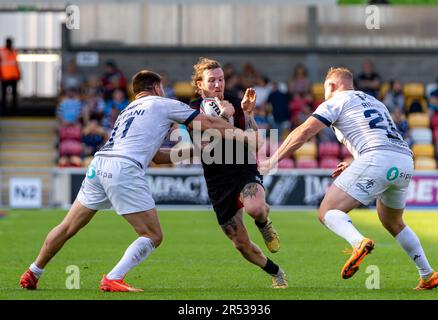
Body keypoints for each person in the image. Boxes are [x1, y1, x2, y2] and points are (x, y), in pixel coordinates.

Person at [19, 70, 245, 292]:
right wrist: (230, 119)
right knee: (153, 235)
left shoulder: (128, 110)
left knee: (67, 226)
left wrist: (195, 150)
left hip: (99, 165)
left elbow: (156, 157)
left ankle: (33, 271)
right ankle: (113, 278)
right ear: (156, 88)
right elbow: (212, 125)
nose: (164, 91)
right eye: (162, 88)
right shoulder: (162, 103)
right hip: (123, 168)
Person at [261, 67, 438, 290]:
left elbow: (304, 132)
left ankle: (358, 242)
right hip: (404, 159)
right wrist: (355, 163)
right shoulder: (375, 102)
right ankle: (427, 275)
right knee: (393, 221)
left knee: (327, 211)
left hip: (378, 157)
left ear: (331, 86)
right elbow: (378, 134)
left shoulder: (336, 100)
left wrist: (272, 160)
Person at [188, 57, 287, 289]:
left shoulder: (235, 103)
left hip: (243, 167)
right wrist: (223, 117)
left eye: (221, 79)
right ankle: (276, 271)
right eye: (211, 80)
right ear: (200, 84)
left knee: (256, 208)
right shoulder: (191, 110)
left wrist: (249, 115)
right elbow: (204, 144)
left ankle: (264, 223)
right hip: (217, 179)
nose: (218, 84)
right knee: (241, 243)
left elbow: (256, 142)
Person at [0, 37, 21, 116]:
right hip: (4, 77)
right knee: (4, 96)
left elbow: (16, 64)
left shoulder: (14, 52)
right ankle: (4, 112)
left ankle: (14, 112)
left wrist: (19, 73)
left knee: (14, 96)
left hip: (13, 77)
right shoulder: (1, 51)